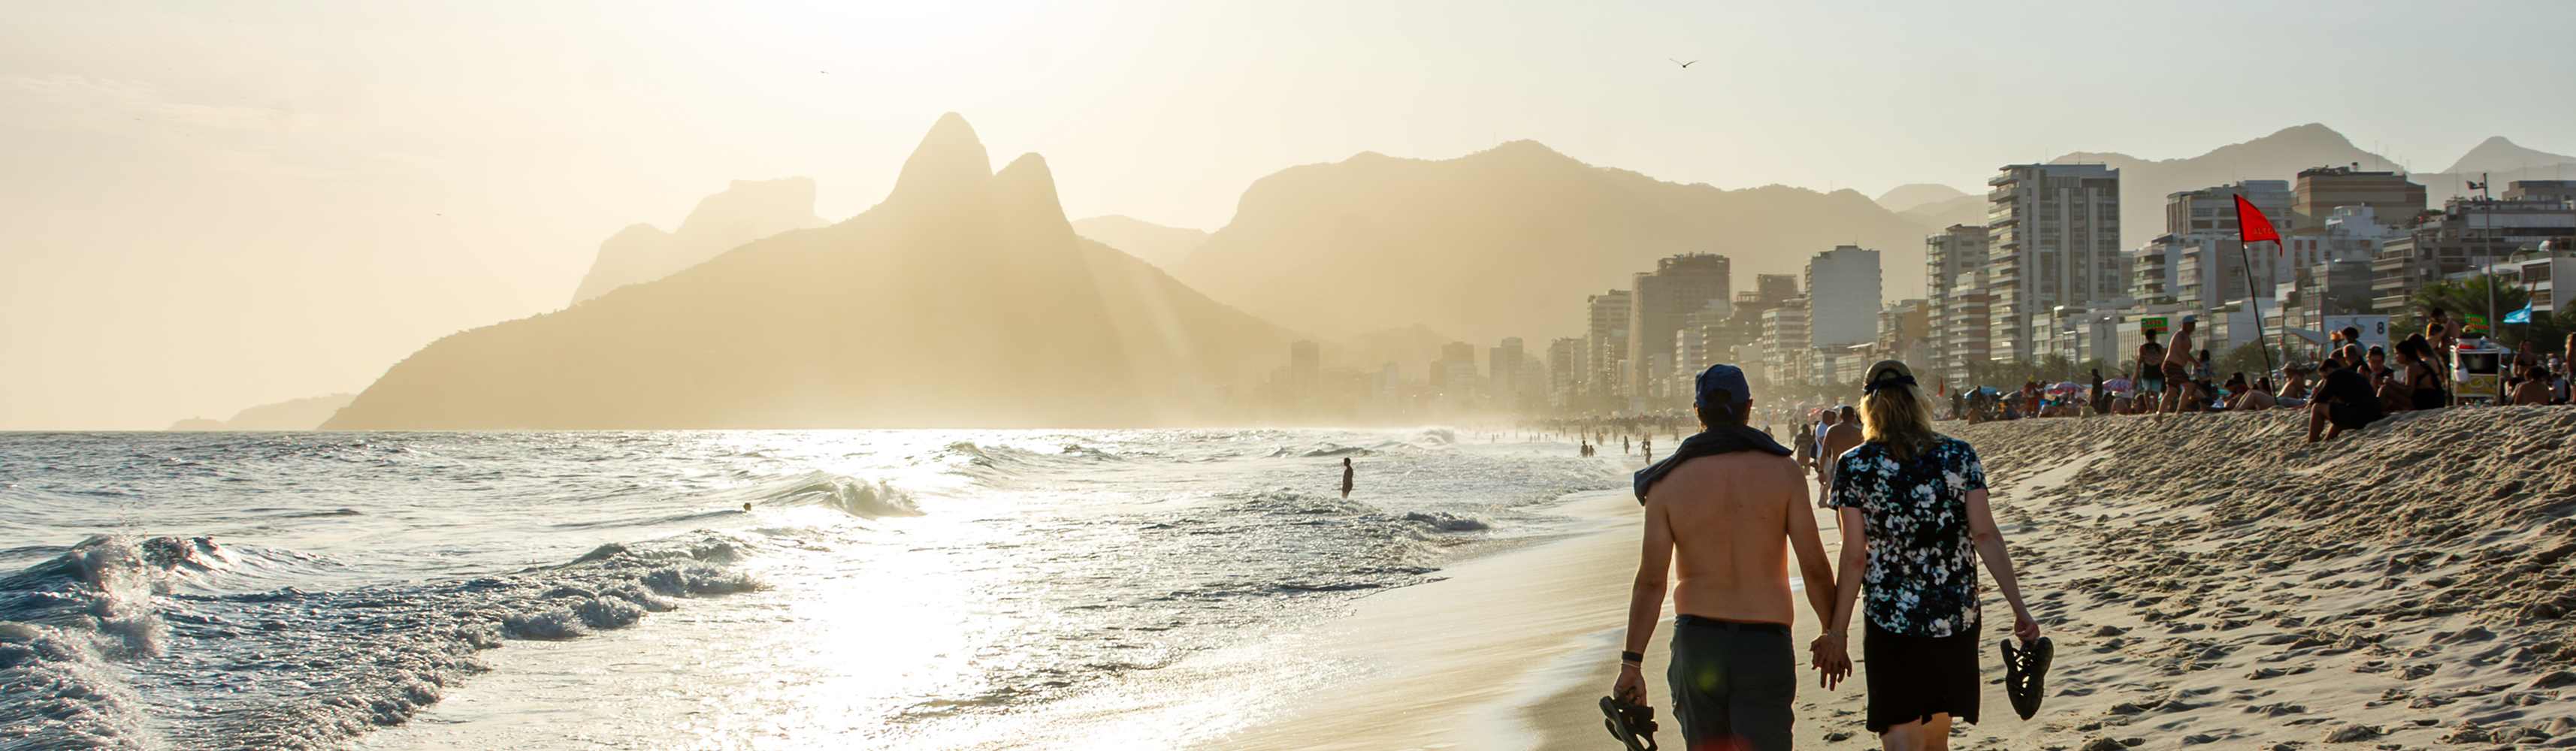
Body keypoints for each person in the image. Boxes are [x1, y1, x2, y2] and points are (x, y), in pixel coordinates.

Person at [1617, 364, 1841, 751]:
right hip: (1763, 643)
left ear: (1697, 410)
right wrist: (1832, 632)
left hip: (1698, 643)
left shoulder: (1666, 483)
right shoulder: (1784, 473)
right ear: (1748, 407)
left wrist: (1632, 663)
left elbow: (1651, 582)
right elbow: (1815, 567)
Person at [1820, 360, 2040, 750]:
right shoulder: (1960, 455)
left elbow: (1855, 556)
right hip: (1954, 614)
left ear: (1869, 407)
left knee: (1899, 728)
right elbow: (1985, 534)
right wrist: (2018, 607)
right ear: (1918, 400)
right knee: (1938, 733)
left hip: (1891, 618)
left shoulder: (1855, 465)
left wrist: (1837, 631)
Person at [2307, 356, 2384, 443]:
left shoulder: (2334, 376)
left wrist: (2310, 402)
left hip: (2361, 416)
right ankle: (2327, 440)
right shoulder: (2352, 375)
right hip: (2374, 414)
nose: (2325, 380)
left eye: (2324, 377)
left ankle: (2311, 441)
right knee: (2339, 412)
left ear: (2328, 370)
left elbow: (2320, 399)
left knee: (2317, 407)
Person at [1817, 406, 1863, 496]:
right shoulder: (1858, 432)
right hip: (1854, 468)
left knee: (1838, 498)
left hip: (1837, 467)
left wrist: (1821, 471)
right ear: (1853, 417)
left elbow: (1824, 451)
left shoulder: (1832, 430)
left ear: (1840, 416)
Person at [2161, 317, 2197, 415]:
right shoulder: (2181, 335)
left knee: (2172, 391)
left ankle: (2161, 415)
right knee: (2188, 386)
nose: (2194, 327)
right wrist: (2194, 362)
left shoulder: (2184, 336)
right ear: (2185, 325)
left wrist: (2194, 362)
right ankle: (2179, 411)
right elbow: (2183, 351)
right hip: (2173, 366)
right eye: (2192, 324)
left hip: (2175, 366)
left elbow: (2185, 353)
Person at [2136, 329, 2167, 409]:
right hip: (2157, 371)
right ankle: (2155, 409)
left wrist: (2136, 373)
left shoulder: (2143, 347)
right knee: (2155, 392)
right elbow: (2163, 360)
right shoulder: (2159, 347)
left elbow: (2140, 360)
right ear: (2154, 336)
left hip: (2147, 371)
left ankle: (2149, 409)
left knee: (2146, 391)